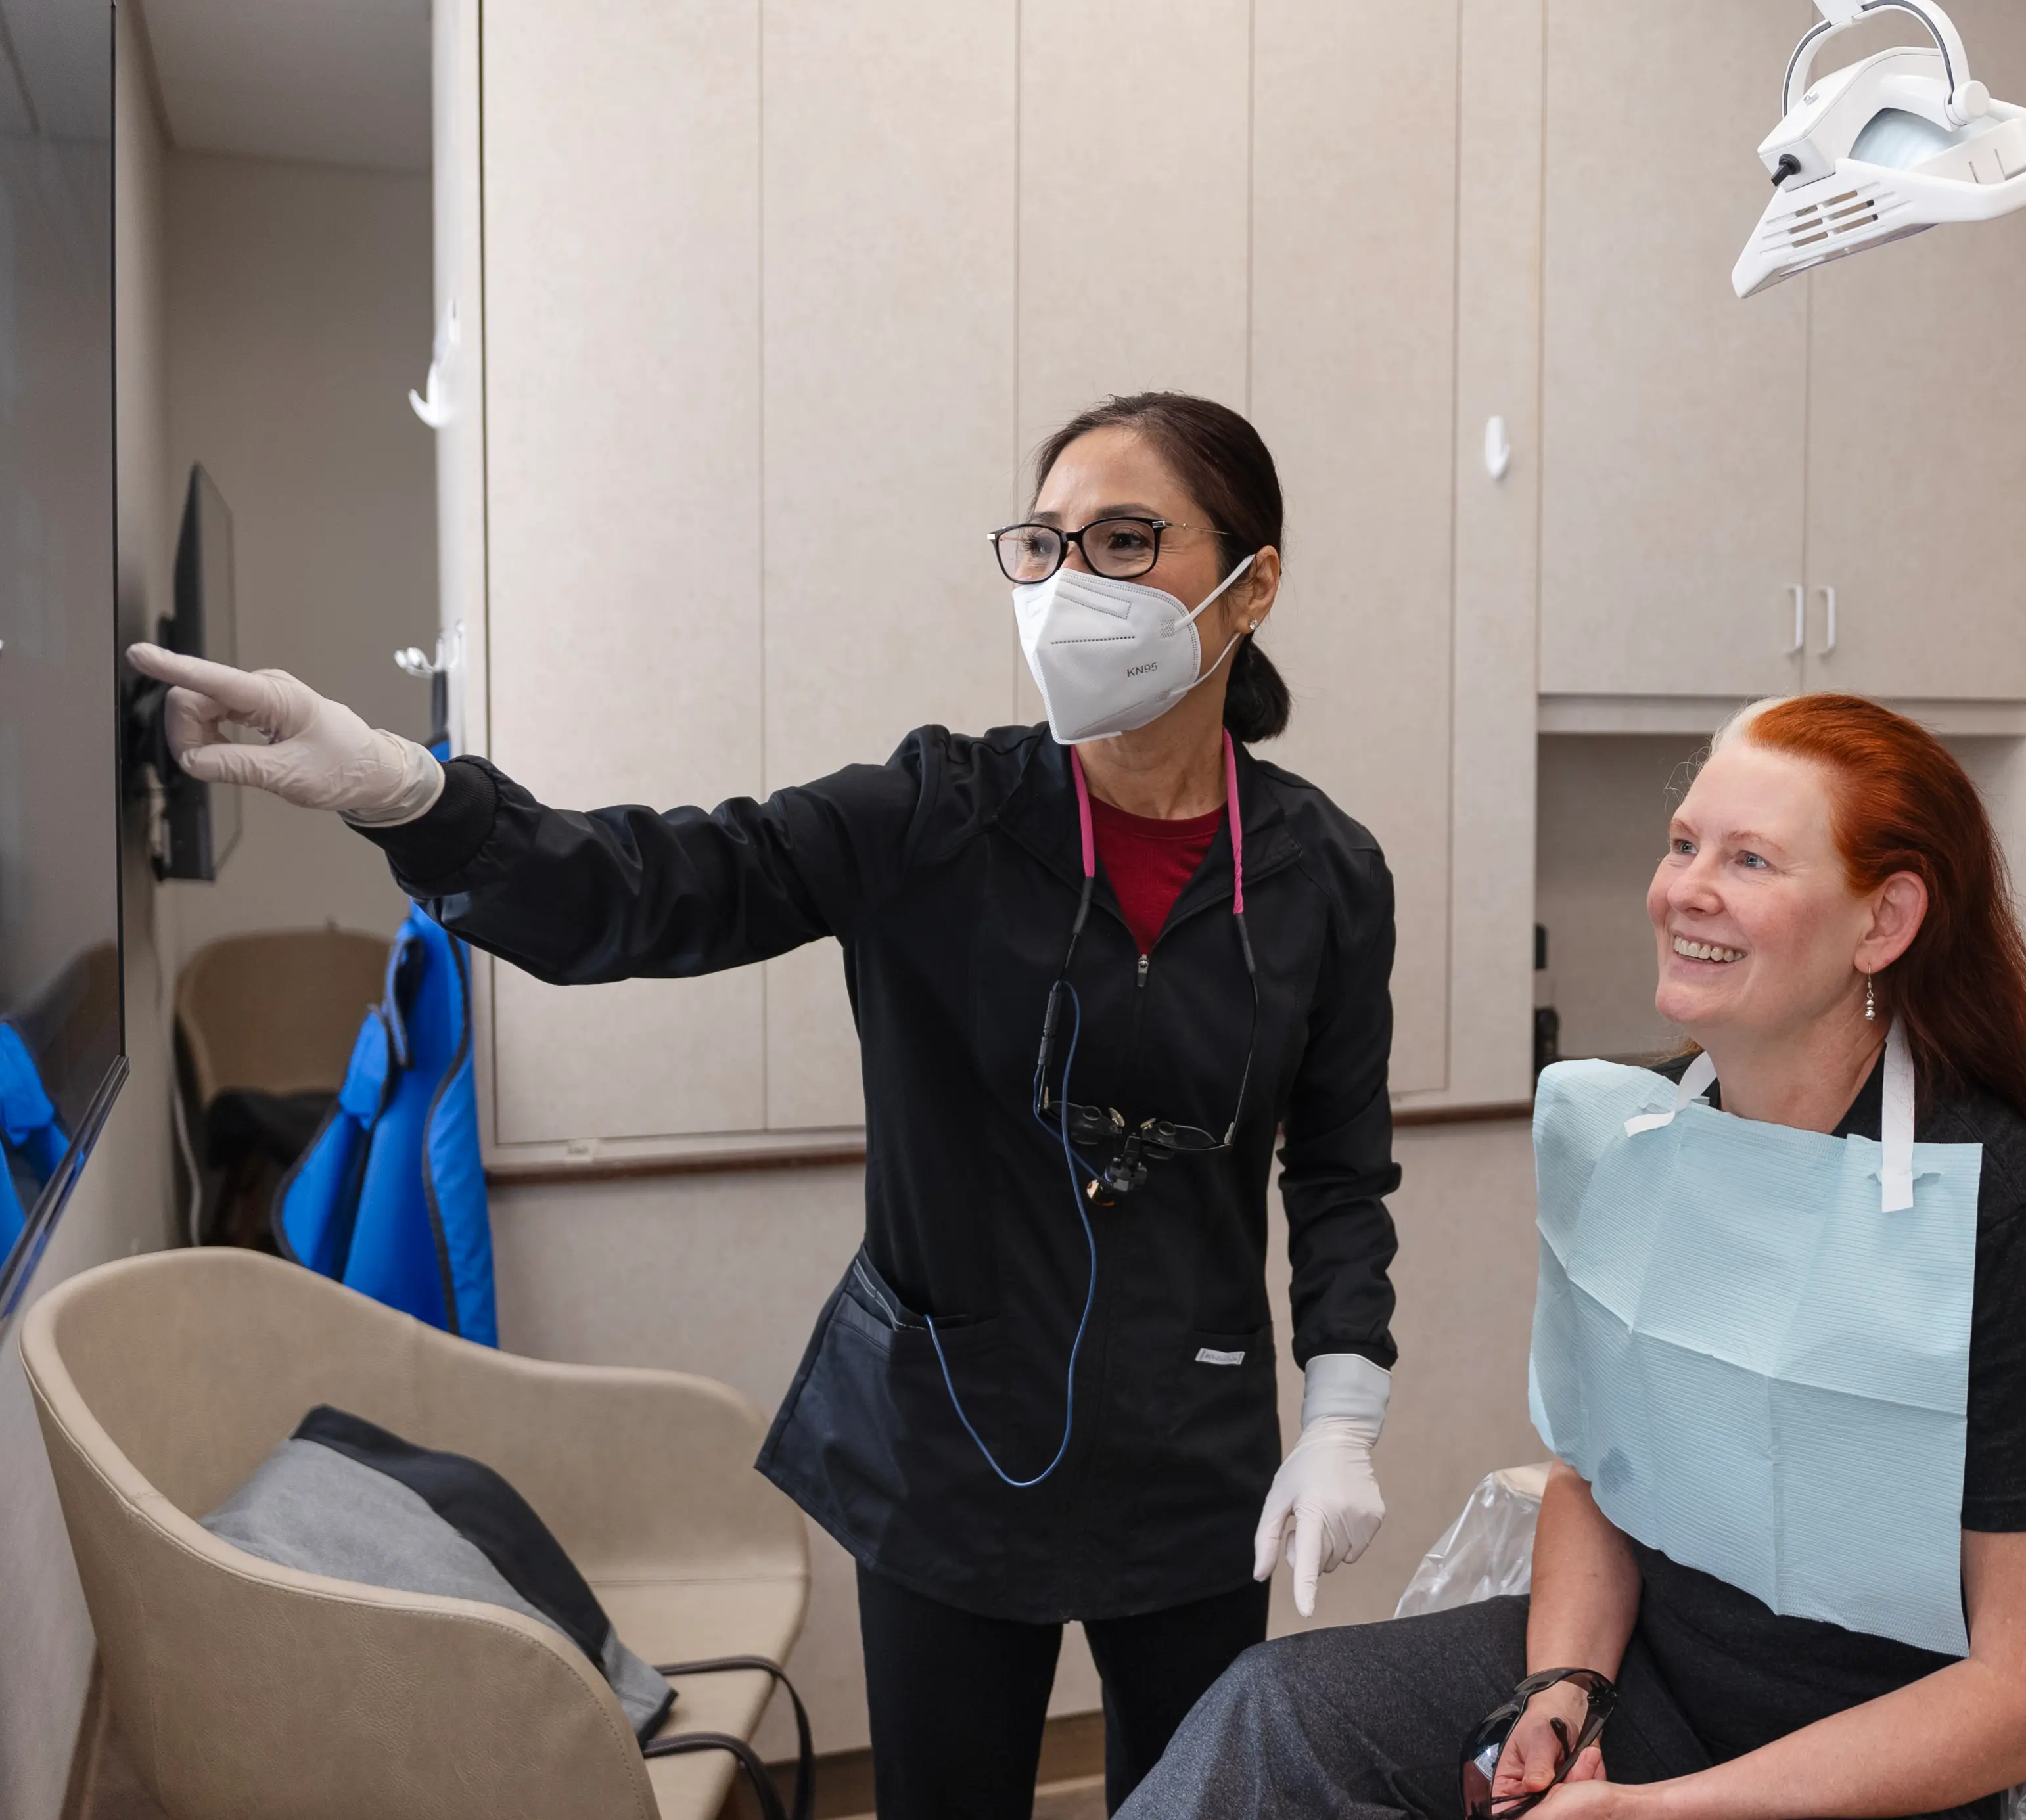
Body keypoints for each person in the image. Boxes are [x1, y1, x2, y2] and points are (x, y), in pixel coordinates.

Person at [125, 394, 1406, 1819]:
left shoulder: (1325, 877)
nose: (1070, 588)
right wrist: (401, 792)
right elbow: (657, 885)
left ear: (1253, 582)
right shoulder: (943, 814)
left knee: (1200, 1800)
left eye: (1122, 541)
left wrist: (1343, 1404)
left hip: (1193, 1451)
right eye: (1043, 548)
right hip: (945, 1443)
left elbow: (1340, 1167)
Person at [1126, 694, 2026, 1820]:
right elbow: (1597, 1476)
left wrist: (1661, 1813)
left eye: (1749, 859)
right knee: (1275, 1717)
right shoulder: (1637, 1140)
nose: (1686, 888)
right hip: (1651, 1684)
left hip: (1872, 1766)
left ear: (1883, 921)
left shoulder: (1989, 1213)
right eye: (1685, 843)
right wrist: (1563, 1692)